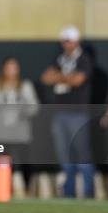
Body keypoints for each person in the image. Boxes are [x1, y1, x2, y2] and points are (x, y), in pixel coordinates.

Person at [41, 26, 94, 198]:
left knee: (83, 155)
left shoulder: (84, 59)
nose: (66, 44)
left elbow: (78, 80)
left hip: (77, 114)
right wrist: (67, 77)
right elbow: (46, 77)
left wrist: (60, 76)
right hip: (60, 113)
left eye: (69, 40)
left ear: (76, 41)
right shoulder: (60, 59)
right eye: (64, 41)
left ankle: (88, 194)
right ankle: (69, 194)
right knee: (65, 156)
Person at [0, 57, 40, 197]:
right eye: (9, 67)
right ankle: (6, 190)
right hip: (2, 132)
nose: (11, 71)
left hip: (21, 132)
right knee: (3, 162)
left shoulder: (25, 86)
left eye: (14, 67)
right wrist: (2, 98)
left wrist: (22, 107)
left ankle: (28, 190)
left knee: (25, 163)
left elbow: (34, 108)